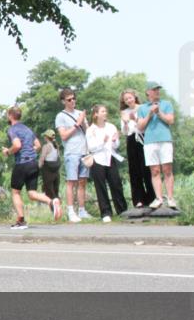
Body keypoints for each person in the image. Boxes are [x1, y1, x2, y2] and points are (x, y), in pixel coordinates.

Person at [2, 107, 61, 229]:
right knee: (32, 193)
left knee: (15, 192)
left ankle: (21, 221)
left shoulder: (12, 129)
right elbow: (38, 145)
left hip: (22, 163)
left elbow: (17, 145)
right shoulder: (28, 129)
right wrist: (29, 151)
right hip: (33, 163)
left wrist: (8, 151)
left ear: (10, 116)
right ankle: (51, 201)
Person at [136, 81, 177, 209]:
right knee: (154, 171)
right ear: (148, 92)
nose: (157, 91)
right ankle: (159, 198)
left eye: (158, 89)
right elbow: (140, 127)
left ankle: (170, 198)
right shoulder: (142, 108)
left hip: (164, 140)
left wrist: (159, 113)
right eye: (154, 90)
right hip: (149, 142)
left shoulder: (167, 104)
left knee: (167, 169)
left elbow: (171, 120)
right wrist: (150, 113)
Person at [55, 88, 92, 222]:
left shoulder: (80, 113)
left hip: (84, 151)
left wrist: (84, 122)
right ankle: (71, 211)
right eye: (69, 100)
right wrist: (77, 124)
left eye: (74, 98)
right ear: (63, 101)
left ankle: (82, 210)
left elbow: (88, 132)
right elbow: (63, 136)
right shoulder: (61, 116)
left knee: (82, 181)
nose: (72, 101)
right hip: (72, 152)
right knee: (71, 182)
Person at [85, 105, 127, 222]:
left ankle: (122, 210)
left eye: (105, 111)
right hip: (97, 160)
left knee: (116, 184)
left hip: (110, 157)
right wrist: (102, 142)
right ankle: (105, 212)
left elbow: (116, 146)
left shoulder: (111, 127)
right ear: (96, 114)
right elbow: (91, 147)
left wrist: (114, 141)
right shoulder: (90, 130)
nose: (105, 113)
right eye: (102, 111)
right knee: (101, 186)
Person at [119, 88, 155, 209]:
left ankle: (152, 198)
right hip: (131, 139)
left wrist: (135, 119)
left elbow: (146, 125)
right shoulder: (124, 112)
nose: (129, 100)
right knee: (134, 171)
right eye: (126, 99)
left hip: (143, 138)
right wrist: (124, 123)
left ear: (134, 96)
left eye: (130, 97)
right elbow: (124, 132)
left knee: (146, 169)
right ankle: (138, 199)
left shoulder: (143, 108)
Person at [37, 129, 60, 202]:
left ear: (46, 137)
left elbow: (42, 158)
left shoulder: (46, 146)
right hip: (56, 169)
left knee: (48, 188)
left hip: (47, 170)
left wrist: (38, 167)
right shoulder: (56, 146)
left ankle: (51, 203)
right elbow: (57, 157)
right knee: (55, 188)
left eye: (45, 136)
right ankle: (56, 202)